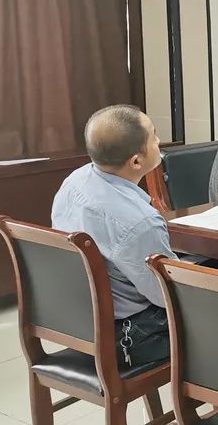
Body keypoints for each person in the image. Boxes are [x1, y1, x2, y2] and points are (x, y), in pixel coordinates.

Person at [52, 105, 175, 368]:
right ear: (136, 162)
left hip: (78, 320)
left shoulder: (73, 181)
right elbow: (166, 295)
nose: (158, 140)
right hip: (129, 334)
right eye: (154, 135)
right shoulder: (140, 222)